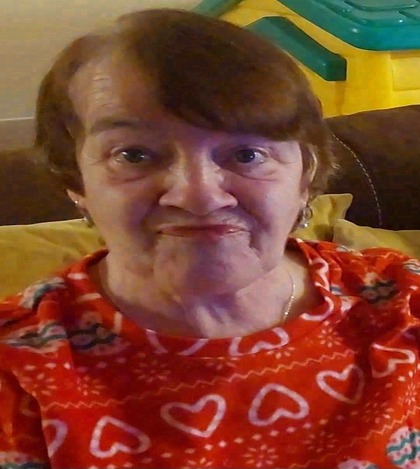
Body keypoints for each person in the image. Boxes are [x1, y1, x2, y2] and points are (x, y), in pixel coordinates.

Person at [0, 8, 418, 469]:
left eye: (247, 154)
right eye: (134, 155)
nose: (198, 195)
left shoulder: (405, 306)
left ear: (306, 176)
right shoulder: (18, 366)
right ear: (76, 181)